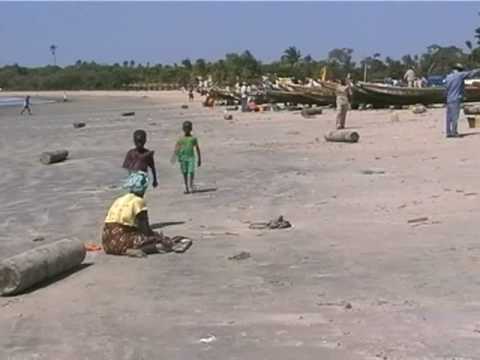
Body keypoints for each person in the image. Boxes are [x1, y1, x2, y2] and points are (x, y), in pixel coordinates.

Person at [102, 172, 173, 256]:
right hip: (120, 241)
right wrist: (157, 237)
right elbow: (145, 229)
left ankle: (126, 249)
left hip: (107, 243)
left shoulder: (120, 199)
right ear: (144, 188)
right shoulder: (138, 201)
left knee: (139, 234)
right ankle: (132, 250)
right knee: (152, 240)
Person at [445, 63, 480, 138]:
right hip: (456, 98)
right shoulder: (460, 75)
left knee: (449, 117)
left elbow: (446, 88)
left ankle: (448, 132)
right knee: (455, 117)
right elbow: (471, 73)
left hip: (449, 99)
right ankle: (454, 132)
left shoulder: (448, 76)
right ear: (460, 70)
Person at [173, 121, 201, 194]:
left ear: (191, 129)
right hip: (183, 158)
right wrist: (176, 157)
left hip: (191, 157)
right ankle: (186, 186)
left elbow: (197, 148)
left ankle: (191, 184)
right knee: (184, 172)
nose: (187, 130)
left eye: (188, 128)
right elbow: (177, 148)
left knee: (191, 171)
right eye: (185, 128)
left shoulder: (193, 138)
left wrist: (199, 159)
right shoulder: (181, 139)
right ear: (183, 129)